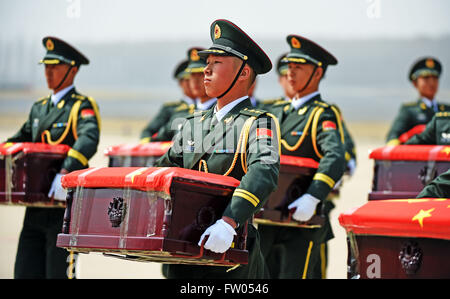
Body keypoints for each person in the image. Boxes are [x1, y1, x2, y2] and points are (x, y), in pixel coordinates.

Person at [155, 19, 280, 279]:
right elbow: (163, 170)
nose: (206, 71)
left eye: (216, 64)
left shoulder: (258, 123)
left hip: (230, 252)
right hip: (184, 252)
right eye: (207, 64)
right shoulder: (191, 124)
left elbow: (263, 171)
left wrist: (229, 220)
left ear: (243, 72)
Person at [5, 37, 100, 278]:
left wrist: (65, 173)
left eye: (55, 67)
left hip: (63, 208)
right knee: (25, 271)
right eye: (46, 67)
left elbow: (88, 139)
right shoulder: (39, 108)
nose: (48, 72)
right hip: (35, 206)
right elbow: (19, 139)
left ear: (73, 69)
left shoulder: (81, 106)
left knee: (58, 274)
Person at [260, 34, 346, 279]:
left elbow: (335, 156)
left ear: (317, 73)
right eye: (289, 66)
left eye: (299, 67)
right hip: (267, 216)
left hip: (302, 218)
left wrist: (313, 196)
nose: (290, 72)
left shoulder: (322, 114)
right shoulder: (276, 110)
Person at [386, 57, 450, 145]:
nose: (431, 83)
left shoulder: (447, 110)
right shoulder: (408, 110)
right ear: (415, 83)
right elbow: (393, 137)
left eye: (435, 78)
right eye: (426, 78)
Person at [140, 59, 195, 143]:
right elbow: (148, 132)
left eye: (199, 77)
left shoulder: (212, 106)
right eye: (188, 80)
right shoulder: (171, 108)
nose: (193, 83)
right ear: (180, 83)